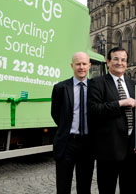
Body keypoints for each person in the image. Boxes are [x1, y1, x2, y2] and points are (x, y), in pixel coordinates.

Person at [87, 47, 136, 194]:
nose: (120, 63)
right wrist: (120, 103)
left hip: (131, 150)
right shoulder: (97, 83)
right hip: (108, 150)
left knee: (130, 188)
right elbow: (93, 110)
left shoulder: (134, 84)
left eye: (123, 60)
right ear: (108, 61)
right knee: (107, 189)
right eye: (116, 59)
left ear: (127, 63)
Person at [51, 52, 94, 194]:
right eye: (78, 64)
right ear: (72, 65)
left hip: (88, 145)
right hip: (66, 143)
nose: (81, 67)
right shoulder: (60, 88)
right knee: (63, 187)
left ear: (89, 66)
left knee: (84, 187)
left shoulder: (96, 88)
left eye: (84, 64)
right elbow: (55, 114)